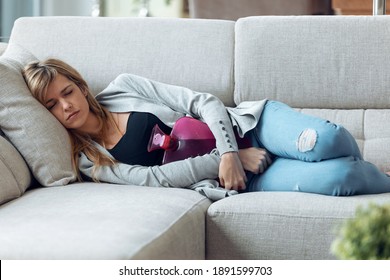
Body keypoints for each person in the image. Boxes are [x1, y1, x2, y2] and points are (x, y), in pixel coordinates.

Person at [22, 58, 390, 198]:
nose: (66, 105)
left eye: (67, 92)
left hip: (253, 125)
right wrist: (226, 164)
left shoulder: (124, 86)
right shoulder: (91, 161)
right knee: (340, 180)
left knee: (324, 141)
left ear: (81, 87)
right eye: (52, 104)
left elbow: (204, 102)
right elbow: (155, 180)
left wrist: (229, 150)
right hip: (237, 177)